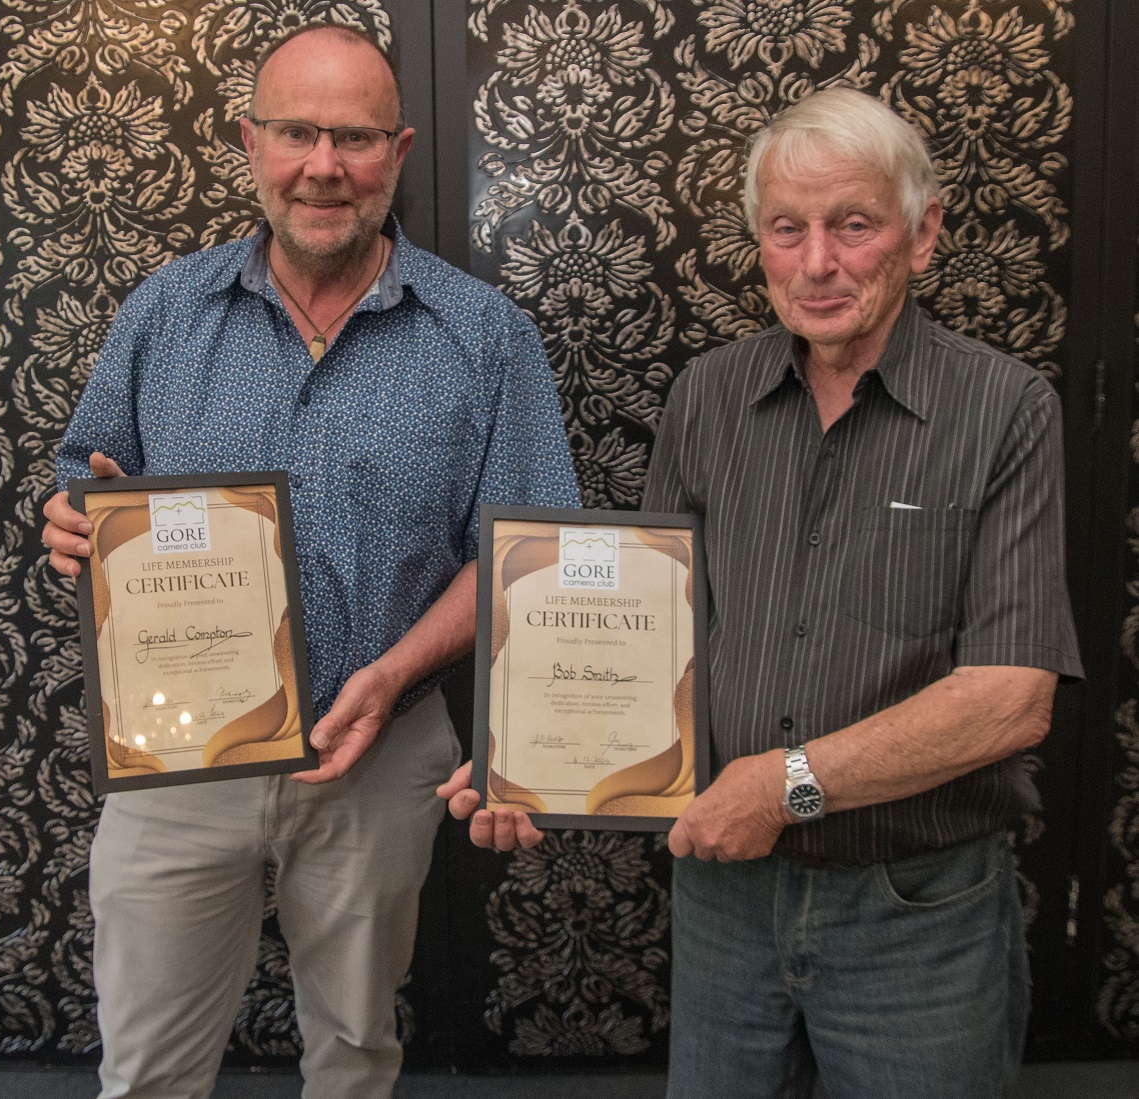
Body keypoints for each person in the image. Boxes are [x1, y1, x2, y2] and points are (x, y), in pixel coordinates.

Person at [442, 87, 1083, 1098]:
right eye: (787, 228)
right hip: (724, 897)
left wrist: (781, 784)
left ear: (922, 237)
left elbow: (1009, 696)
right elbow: (649, 640)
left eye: (853, 225)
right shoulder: (707, 395)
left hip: (914, 907)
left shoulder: (1006, 409)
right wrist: (535, 758)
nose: (816, 261)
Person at [42, 23, 578, 1099]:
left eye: (353, 137)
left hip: (381, 755)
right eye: (295, 132)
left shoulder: (482, 334)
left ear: (400, 150)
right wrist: (71, 521)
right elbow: (87, 477)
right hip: (177, 757)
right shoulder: (162, 311)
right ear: (250, 143)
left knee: (356, 1052)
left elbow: (528, 551)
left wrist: (388, 676)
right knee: (145, 1067)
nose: (322, 165)